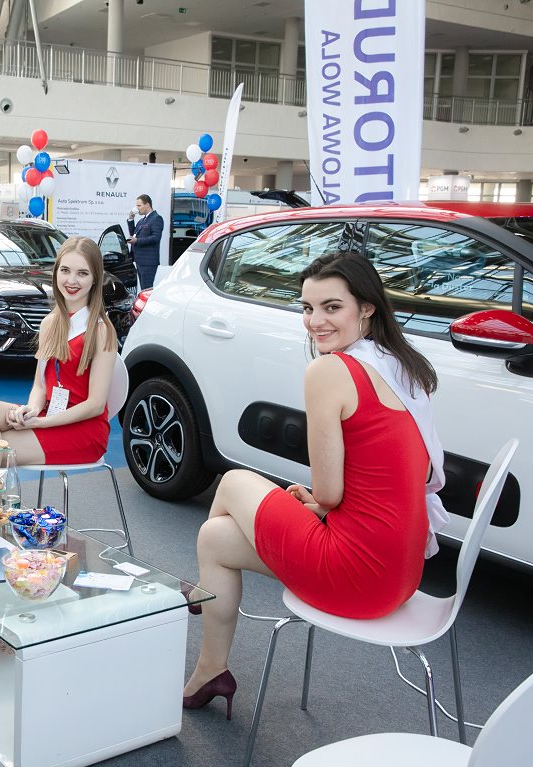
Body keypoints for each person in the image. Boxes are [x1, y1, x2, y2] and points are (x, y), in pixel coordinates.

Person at [182, 251, 446, 717]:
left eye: (331, 307)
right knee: (215, 538)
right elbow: (386, 477)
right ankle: (210, 669)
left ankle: (205, 593)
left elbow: (329, 494)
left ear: (367, 307)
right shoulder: (401, 366)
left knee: (234, 481)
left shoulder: (329, 371)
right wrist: (321, 506)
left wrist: (319, 504)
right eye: (307, 308)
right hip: (401, 575)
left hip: (355, 575)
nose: (315, 321)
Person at [0, 236, 117, 466]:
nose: (71, 280)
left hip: (84, 430)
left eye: (82, 273)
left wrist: (40, 422)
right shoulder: (50, 323)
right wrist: (31, 410)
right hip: (48, 413)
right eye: (65, 270)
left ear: (95, 278)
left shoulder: (101, 330)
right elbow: (40, 385)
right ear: (56, 272)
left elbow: (96, 404)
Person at [127, 193, 164, 290]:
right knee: (144, 288)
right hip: (140, 260)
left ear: (147, 205)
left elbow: (155, 238)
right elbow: (134, 233)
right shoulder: (142, 220)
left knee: (146, 288)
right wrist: (131, 219)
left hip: (148, 261)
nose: (137, 208)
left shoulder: (156, 218)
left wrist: (137, 241)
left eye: (139, 205)